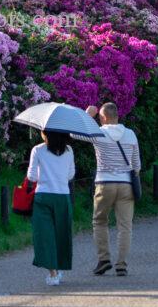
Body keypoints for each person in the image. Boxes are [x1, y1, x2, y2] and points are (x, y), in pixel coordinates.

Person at [75, 102, 140, 277]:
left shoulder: (99, 133)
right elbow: (136, 165)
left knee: (100, 222)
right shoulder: (130, 134)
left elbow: (74, 133)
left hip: (104, 183)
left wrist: (87, 115)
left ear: (103, 117)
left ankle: (104, 259)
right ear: (117, 116)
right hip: (126, 185)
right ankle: (121, 264)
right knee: (125, 226)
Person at [27, 129, 75, 286]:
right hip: (63, 196)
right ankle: (60, 267)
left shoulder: (38, 150)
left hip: (43, 197)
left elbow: (32, 177)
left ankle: (53, 273)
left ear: (46, 133)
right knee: (61, 234)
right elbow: (70, 175)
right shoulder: (69, 150)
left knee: (45, 235)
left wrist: (45, 174)